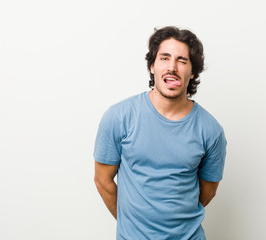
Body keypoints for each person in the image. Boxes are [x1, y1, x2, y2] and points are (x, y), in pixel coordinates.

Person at [93, 26, 227, 240]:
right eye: (164, 58)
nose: (172, 67)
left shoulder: (210, 130)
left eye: (182, 60)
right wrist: (133, 226)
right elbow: (102, 180)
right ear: (152, 66)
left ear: (192, 72)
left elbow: (207, 192)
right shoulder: (119, 117)